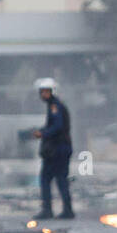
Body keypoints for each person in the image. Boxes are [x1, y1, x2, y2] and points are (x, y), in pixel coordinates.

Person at [31, 77, 74, 220]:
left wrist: (42, 133)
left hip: (57, 149)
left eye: (46, 92)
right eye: (41, 92)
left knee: (47, 179)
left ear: (52, 91)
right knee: (60, 179)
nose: (43, 95)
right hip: (60, 148)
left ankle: (48, 210)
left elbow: (57, 126)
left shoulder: (55, 106)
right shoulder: (54, 105)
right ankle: (67, 210)